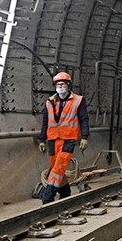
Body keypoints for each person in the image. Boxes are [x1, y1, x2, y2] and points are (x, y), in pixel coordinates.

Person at [38, 72, 89, 204]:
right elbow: (45, 122)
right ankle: (65, 191)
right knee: (56, 166)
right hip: (53, 139)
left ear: (68, 85)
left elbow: (84, 119)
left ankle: (48, 197)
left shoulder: (78, 100)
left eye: (63, 84)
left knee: (58, 168)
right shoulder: (50, 102)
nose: (60, 86)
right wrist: (41, 140)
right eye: (58, 84)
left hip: (69, 139)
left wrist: (85, 137)